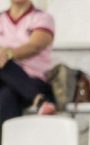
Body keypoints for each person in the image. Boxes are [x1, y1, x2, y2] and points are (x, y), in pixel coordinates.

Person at [0, 0, 55, 131]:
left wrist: (8, 53)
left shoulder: (42, 18)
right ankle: (38, 99)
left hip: (33, 78)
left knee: (7, 95)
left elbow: (35, 46)